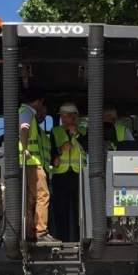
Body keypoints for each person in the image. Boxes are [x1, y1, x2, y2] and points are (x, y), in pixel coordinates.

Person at [19, 89, 59, 243]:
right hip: (32, 163)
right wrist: (25, 149)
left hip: (29, 163)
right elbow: (24, 129)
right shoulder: (27, 111)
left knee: (30, 198)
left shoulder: (25, 112)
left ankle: (30, 231)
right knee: (43, 195)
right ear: (39, 101)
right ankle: (41, 232)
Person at [51, 102, 86, 242]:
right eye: (62, 116)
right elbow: (50, 151)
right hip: (60, 175)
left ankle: (80, 239)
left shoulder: (83, 131)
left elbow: (88, 147)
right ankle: (61, 239)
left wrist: (76, 134)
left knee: (79, 210)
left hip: (79, 175)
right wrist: (59, 151)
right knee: (61, 209)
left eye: (66, 116)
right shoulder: (55, 131)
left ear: (74, 117)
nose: (64, 119)